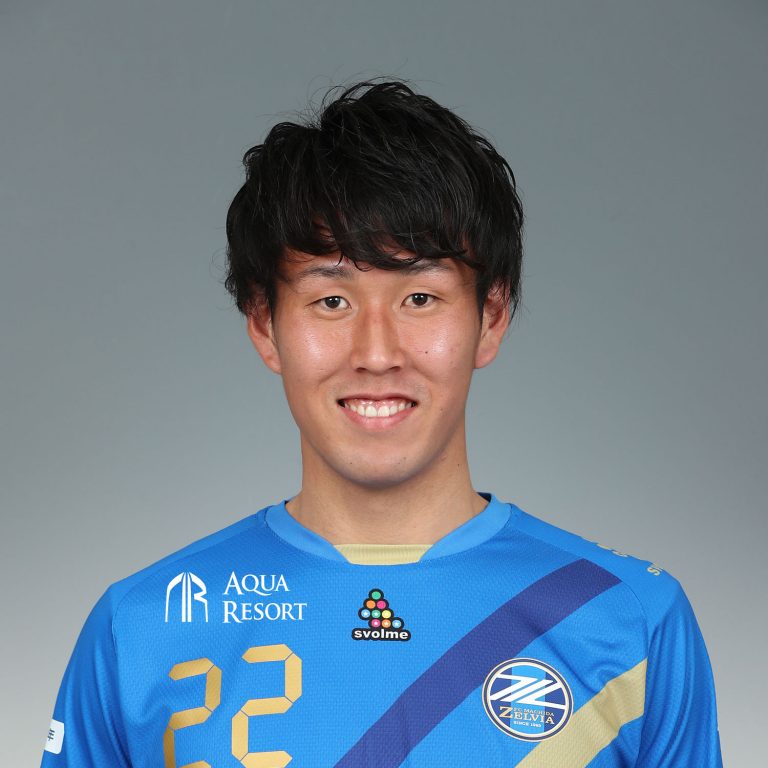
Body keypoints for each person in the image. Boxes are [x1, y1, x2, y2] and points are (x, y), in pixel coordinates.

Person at [41, 79, 722, 767]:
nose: (376, 352)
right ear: (265, 325)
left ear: (490, 318)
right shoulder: (142, 627)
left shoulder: (629, 620)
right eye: (332, 301)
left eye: (419, 297)